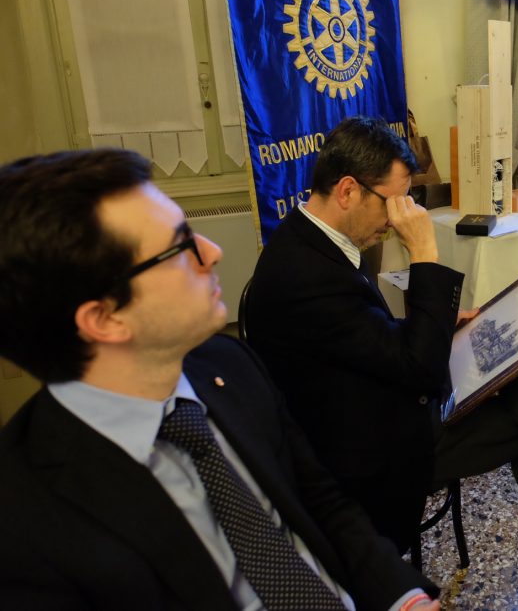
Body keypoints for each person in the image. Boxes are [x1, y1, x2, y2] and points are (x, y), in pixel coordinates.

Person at [0, 149, 439, 610]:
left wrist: (402, 596)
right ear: (105, 319)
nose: (212, 253)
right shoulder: (25, 529)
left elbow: (322, 503)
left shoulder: (229, 365)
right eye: (180, 247)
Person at [246, 116, 518, 590]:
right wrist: (424, 251)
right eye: (393, 202)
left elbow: (358, 336)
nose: (397, 218)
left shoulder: (310, 239)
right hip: (368, 450)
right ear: (348, 191)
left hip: (373, 395)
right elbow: (420, 371)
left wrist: (437, 324)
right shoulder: (304, 275)